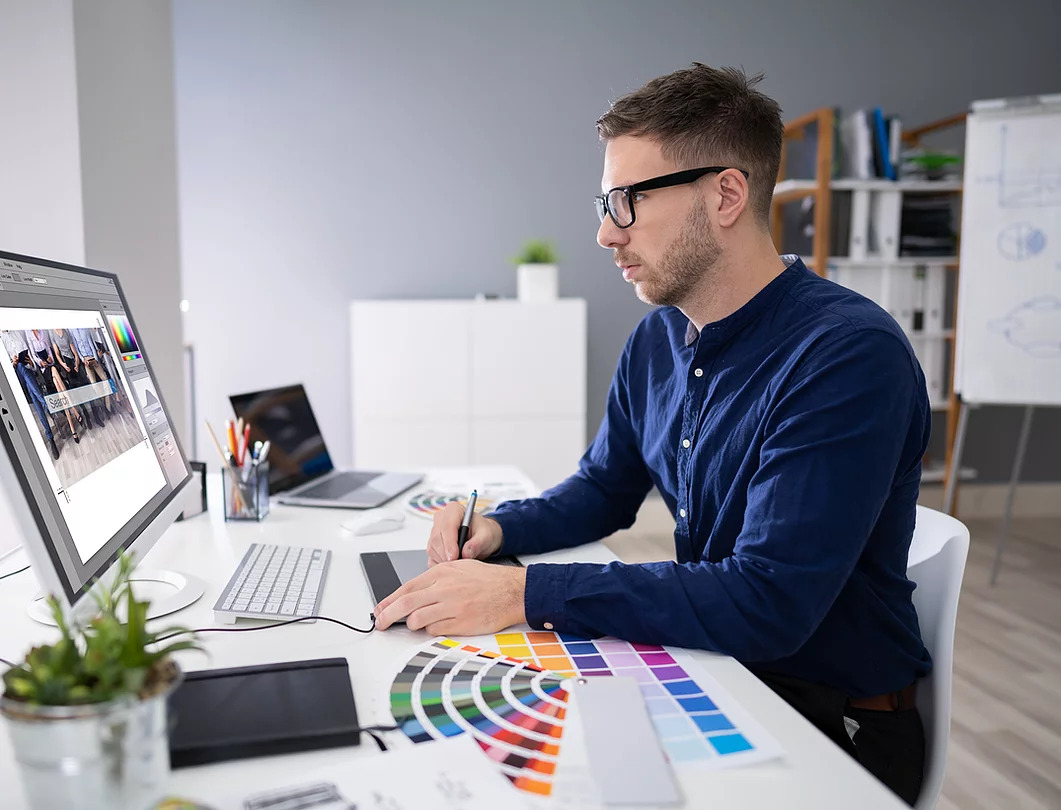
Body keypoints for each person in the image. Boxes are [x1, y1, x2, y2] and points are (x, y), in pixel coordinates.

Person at [372, 64, 930, 805]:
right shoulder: (657, 339)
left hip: (827, 726)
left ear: (725, 195)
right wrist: (498, 531)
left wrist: (524, 590)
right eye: (605, 203)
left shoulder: (845, 355)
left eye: (628, 201)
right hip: (725, 671)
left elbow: (767, 603)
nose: (605, 232)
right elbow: (603, 489)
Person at [1, 330, 60, 459]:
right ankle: (46, 403)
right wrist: (13, 364)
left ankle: (51, 439)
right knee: (21, 367)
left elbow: (30, 358)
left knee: (35, 398)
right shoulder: (1, 339)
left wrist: (32, 363)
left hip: (29, 373)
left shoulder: (17, 333)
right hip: (16, 378)